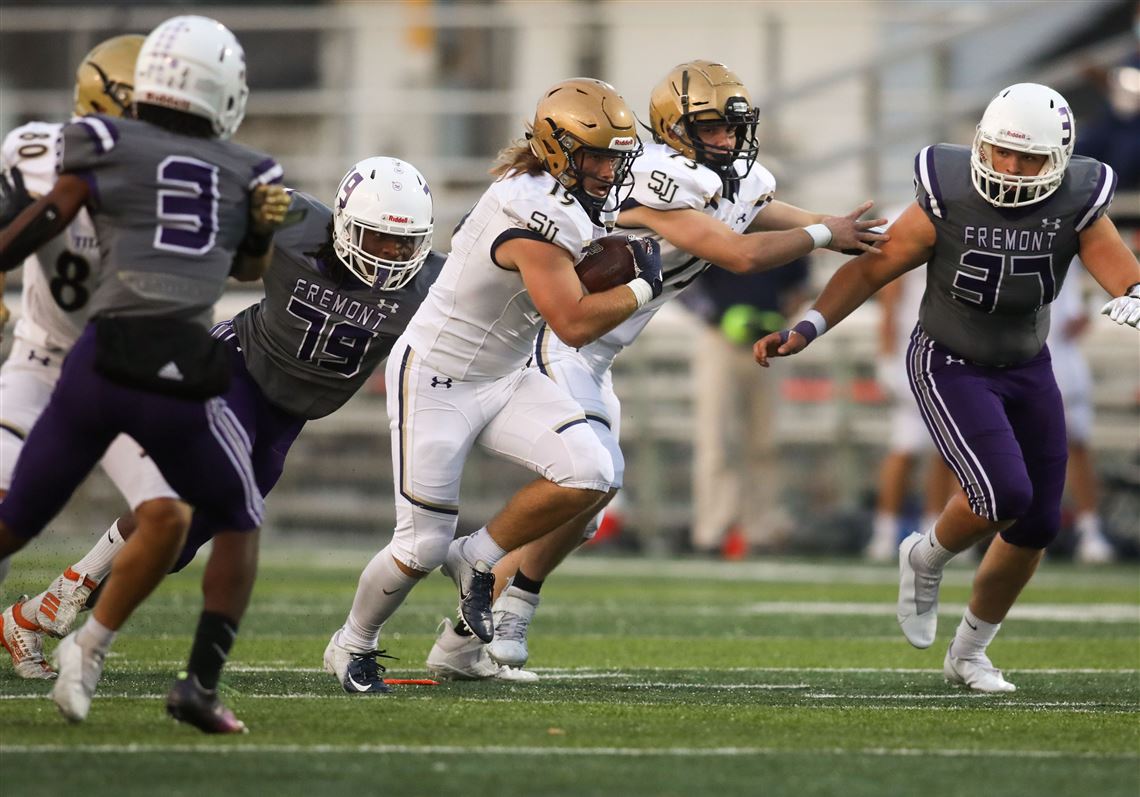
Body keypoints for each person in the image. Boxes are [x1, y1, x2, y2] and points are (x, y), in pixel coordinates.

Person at [428, 60, 888, 678]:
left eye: (734, 126)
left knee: (587, 512)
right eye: (711, 127)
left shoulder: (730, 179)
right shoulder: (657, 176)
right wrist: (825, 236)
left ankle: (462, 642)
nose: (726, 138)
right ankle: (496, 587)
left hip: (599, 353)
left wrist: (828, 223)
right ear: (674, 130)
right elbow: (737, 253)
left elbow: (758, 207)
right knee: (595, 477)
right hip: (560, 339)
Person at [5, 156, 440, 728]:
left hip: (288, 416)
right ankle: (78, 602)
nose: (389, 253)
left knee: (178, 548)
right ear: (341, 221)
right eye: (377, 237)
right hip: (233, 371)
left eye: (403, 243)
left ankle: (33, 616)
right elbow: (211, 211)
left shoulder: (434, 283)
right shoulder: (297, 224)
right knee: (187, 504)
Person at [754, 83, 1140, 693]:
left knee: (1038, 524)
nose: (1010, 168)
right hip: (949, 359)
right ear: (981, 143)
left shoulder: (1077, 198)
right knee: (1003, 493)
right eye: (1001, 151)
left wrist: (1135, 294)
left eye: (1028, 158)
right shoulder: (950, 191)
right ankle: (925, 554)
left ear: (1059, 160)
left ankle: (969, 653)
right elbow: (875, 267)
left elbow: (1117, 264)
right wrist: (809, 326)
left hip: (1028, 364)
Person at [322, 78, 663, 689]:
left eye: (615, 156)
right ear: (557, 149)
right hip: (437, 377)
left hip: (505, 373)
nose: (608, 170)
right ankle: (352, 644)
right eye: (595, 156)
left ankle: (476, 558)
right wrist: (642, 286)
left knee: (592, 472)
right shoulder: (532, 208)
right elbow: (573, 322)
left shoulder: (565, 191)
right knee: (420, 547)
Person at [0, 15, 287, 725]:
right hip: (57, 358)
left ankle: (81, 644)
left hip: (105, 359)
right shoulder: (55, 151)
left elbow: (247, 261)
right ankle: (185, 680)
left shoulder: (121, 150)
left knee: (162, 516)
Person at [0, 35, 179, 681]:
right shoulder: (39, 154)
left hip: (121, 373)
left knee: (170, 513)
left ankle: (42, 614)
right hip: (44, 360)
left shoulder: (180, 177)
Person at [680, 257, 811, 557]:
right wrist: (713, 313)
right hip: (720, 340)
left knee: (765, 441)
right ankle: (712, 531)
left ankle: (760, 528)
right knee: (717, 439)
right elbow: (683, 281)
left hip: (770, 342)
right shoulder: (721, 231)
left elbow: (800, 286)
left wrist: (779, 317)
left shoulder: (784, 236)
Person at [865, 255, 957, 562]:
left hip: (953, 352)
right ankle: (885, 530)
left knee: (947, 450)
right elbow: (890, 296)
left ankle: (935, 530)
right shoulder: (917, 233)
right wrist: (887, 353)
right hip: (914, 351)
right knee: (905, 447)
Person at [1046, 263, 1116, 563]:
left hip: (1063, 358)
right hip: (1019, 350)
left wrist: (1088, 308)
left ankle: (1089, 530)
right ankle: (1019, 528)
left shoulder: (1069, 233)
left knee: (1076, 442)